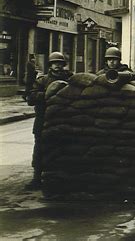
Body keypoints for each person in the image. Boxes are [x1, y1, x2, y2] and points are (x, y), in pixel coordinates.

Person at [26, 52, 73, 189]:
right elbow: (31, 98)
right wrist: (47, 93)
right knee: (40, 148)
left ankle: (63, 178)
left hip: (65, 119)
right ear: (50, 65)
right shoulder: (42, 81)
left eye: (60, 63)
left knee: (65, 148)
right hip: (44, 119)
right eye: (55, 63)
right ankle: (37, 177)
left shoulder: (70, 79)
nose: (57, 66)